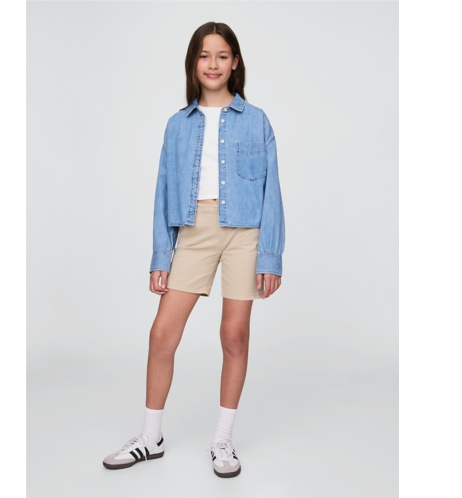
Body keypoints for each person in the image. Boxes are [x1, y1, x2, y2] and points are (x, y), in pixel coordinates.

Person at [103, 21, 285, 479]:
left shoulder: (257, 120)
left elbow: (272, 194)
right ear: (193, 63)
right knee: (162, 334)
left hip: (245, 233)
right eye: (205, 55)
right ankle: (151, 437)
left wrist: (270, 255)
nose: (213, 64)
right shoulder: (177, 125)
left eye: (222, 55)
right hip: (193, 231)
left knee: (234, 335)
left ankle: (223, 438)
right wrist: (160, 256)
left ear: (235, 62)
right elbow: (163, 191)